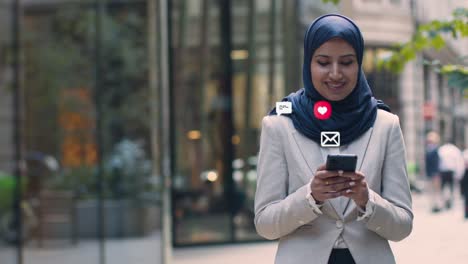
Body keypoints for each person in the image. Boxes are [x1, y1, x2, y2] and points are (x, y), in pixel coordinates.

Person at [254, 14, 413, 264]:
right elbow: (265, 224)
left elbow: (403, 225)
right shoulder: (279, 124)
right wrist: (311, 196)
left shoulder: (385, 124)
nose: (335, 74)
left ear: (359, 64)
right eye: (324, 62)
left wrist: (366, 199)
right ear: (308, 63)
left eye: (347, 62)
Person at [437, 142, 465, 209]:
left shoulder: (441, 149)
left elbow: (438, 161)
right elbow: (458, 161)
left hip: (443, 171)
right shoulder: (455, 150)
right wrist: (459, 173)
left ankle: (444, 202)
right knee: (451, 188)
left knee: (443, 188)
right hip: (451, 171)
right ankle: (450, 202)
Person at [425, 131, 442, 212]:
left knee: (435, 191)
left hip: (434, 173)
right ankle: (434, 205)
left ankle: (436, 205)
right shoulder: (431, 150)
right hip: (432, 173)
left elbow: (437, 163)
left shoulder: (434, 150)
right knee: (432, 191)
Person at [461, 149, 468, 219]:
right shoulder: (465, 153)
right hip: (466, 174)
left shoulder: (465, 153)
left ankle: (466, 213)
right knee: (466, 196)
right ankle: (466, 213)